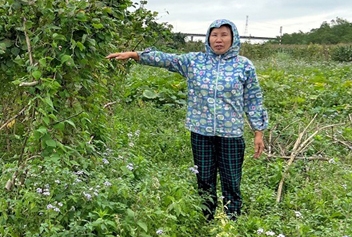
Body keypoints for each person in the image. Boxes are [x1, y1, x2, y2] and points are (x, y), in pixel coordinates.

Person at [106, 19, 268, 220]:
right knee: (204, 181)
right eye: (214, 35)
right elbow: (167, 60)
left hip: (231, 135)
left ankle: (231, 223)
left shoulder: (244, 66)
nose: (219, 40)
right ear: (208, 38)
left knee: (231, 181)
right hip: (201, 132)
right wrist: (136, 55)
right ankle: (207, 221)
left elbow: (253, 99)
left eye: (224, 35)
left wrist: (258, 132)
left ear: (233, 38)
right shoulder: (195, 61)